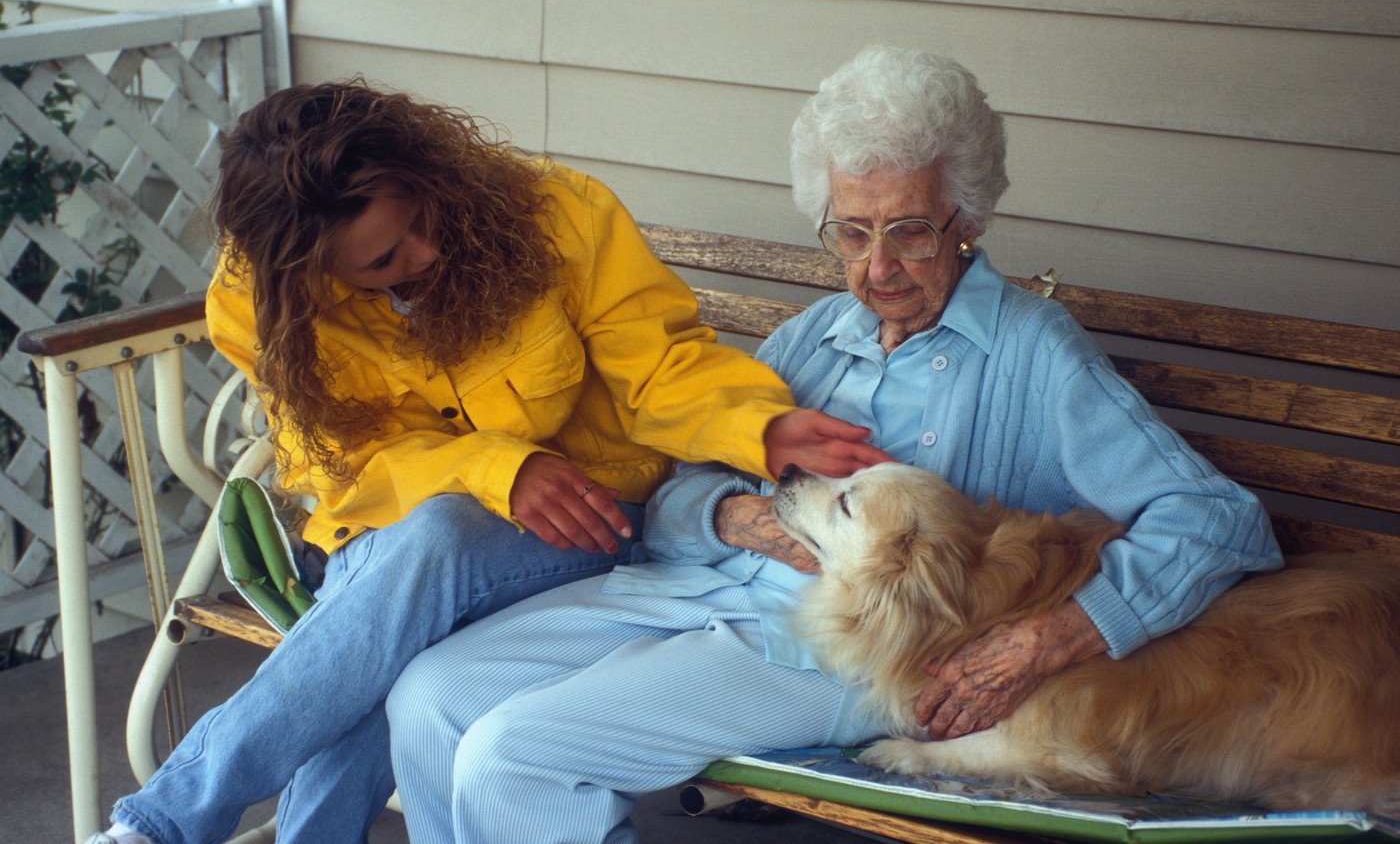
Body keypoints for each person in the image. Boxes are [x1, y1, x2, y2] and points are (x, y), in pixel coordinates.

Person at [384, 45, 1283, 844]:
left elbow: (1216, 520)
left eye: (909, 231)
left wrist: (1046, 641)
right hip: (692, 595)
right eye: (850, 232)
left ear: (966, 218)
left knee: (513, 754)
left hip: (845, 657)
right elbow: (678, 494)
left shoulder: (1034, 354)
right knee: (425, 695)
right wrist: (738, 516)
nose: (877, 268)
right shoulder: (815, 336)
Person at [88, 80, 888, 844]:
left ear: (429, 170)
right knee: (416, 585)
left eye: (420, 217)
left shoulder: (558, 214)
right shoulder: (262, 301)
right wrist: (495, 468)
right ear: (311, 276)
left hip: (593, 523)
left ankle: (163, 821)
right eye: (381, 261)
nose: (426, 250)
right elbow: (341, 462)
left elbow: (659, 367)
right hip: (386, 534)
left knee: (415, 576)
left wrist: (761, 424)